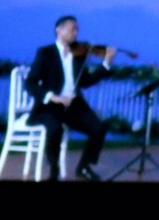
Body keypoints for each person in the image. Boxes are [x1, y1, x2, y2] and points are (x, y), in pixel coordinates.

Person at [24, 15, 117, 182]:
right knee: (55, 128)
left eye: (77, 29)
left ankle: (84, 167)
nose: (76, 32)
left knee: (99, 128)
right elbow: (30, 83)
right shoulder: (45, 53)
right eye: (72, 28)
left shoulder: (78, 54)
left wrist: (106, 64)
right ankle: (54, 170)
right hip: (50, 105)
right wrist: (52, 97)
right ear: (58, 30)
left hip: (73, 104)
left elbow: (86, 81)